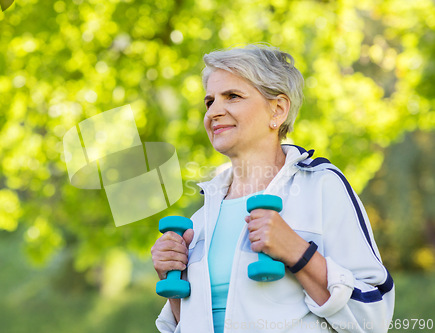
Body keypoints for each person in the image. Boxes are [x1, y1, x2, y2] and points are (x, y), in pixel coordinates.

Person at [151, 43, 394, 333]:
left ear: (277, 109)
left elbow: (373, 317)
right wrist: (171, 274)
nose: (214, 111)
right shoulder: (200, 219)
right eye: (209, 101)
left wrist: (298, 253)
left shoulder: (321, 186)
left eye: (232, 96)